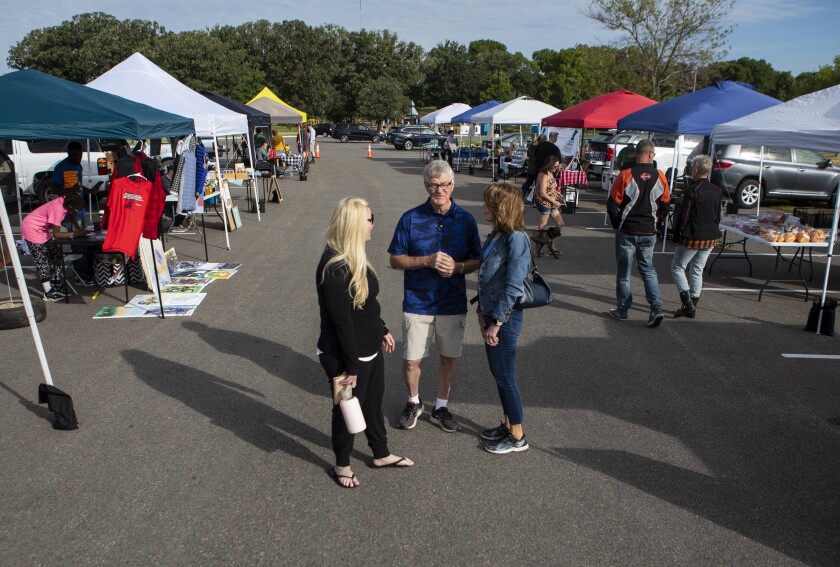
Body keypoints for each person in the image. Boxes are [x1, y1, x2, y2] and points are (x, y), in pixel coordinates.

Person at [316, 198, 414, 488]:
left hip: (368, 347)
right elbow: (341, 322)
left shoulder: (354, 256)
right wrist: (351, 366)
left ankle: (380, 453)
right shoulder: (334, 266)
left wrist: (381, 327)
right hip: (345, 353)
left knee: (372, 403)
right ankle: (342, 465)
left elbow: (365, 303)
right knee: (347, 409)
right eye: (370, 219)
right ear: (356, 224)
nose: (374, 224)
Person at [388, 160, 481, 432]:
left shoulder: (465, 220)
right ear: (425, 186)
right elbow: (396, 259)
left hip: (451, 302)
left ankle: (441, 406)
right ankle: (413, 401)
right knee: (411, 359)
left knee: (448, 357)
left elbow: (477, 259)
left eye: (444, 185)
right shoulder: (411, 218)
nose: (439, 190)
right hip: (418, 301)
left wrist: (459, 267)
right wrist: (426, 261)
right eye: (433, 185)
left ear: (453, 185)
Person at [476, 183, 531, 454]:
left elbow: (513, 287)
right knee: (499, 374)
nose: (484, 207)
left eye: (489, 203)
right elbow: (486, 276)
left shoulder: (516, 239)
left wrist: (496, 323)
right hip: (490, 313)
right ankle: (509, 425)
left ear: (502, 208)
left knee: (506, 376)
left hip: (504, 319)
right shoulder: (497, 234)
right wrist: (480, 311)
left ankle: (518, 436)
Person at [606, 139, 670, 327]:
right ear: (650, 155)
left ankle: (623, 309)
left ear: (636, 154)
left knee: (624, 272)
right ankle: (656, 308)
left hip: (627, 230)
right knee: (648, 269)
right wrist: (657, 225)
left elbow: (612, 205)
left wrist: (617, 224)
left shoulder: (625, 174)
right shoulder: (661, 176)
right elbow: (666, 205)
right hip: (648, 230)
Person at [670, 154, 722, 318]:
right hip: (711, 235)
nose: (691, 170)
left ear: (697, 169)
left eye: (692, 168)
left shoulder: (692, 190)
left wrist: (677, 234)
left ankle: (688, 304)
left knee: (678, 267)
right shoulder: (717, 190)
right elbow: (717, 215)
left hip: (693, 235)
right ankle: (692, 303)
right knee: (697, 270)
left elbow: (683, 216)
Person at [21, 193, 88, 302]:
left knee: (56, 255)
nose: (77, 212)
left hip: (42, 229)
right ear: (70, 206)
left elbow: (70, 215)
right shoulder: (57, 209)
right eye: (77, 210)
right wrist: (76, 234)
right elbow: (57, 234)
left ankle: (56, 284)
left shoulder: (67, 203)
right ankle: (48, 292)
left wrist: (79, 229)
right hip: (31, 228)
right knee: (41, 260)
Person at [535, 156, 565, 231]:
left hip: (551, 201)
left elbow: (551, 188)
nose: (556, 168)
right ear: (549, 165)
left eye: (557, 166)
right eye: (555, 166)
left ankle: (551, 242)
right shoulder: (544, 175)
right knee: (543, 225)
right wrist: (555, 201)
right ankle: (538, 242)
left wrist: (557, 194)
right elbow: (542, 193)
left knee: (560, 223)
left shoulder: (551, 173)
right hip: (544, 202)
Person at [520, 135, 543, 200]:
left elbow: (528, 154)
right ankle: (535, 200)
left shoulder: (531, 145)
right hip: (537, 168)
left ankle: (521, 196)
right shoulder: (540, 147)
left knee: (527, 184)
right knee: (537, 185)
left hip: (530, 167)